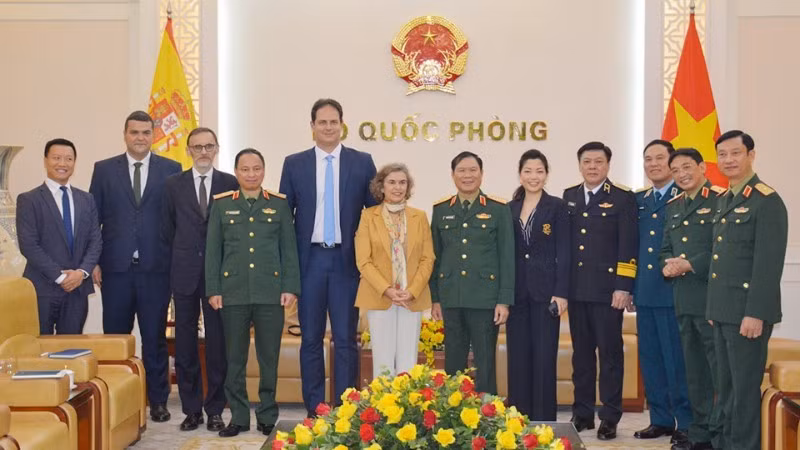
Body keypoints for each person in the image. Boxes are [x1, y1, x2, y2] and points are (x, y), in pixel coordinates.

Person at [279, 98, 377, 414]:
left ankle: (346, 405)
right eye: (322, 122)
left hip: (346, 263)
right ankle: (316, 407)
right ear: (312, 127)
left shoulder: (362, 162)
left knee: (347, 338)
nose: (328, 127)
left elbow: (373, 216)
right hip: (310, 262)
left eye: (334, 122)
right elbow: (284, 219)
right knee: (311, 339)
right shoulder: (294, 163)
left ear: (342, 125)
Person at [89, 111, 181, 422]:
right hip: (115, 269)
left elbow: (175, 221)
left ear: (153, 135)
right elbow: (93, 221)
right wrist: (94, 263)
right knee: (116, 338)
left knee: (154, 337)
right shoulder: (104, 170)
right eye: (134, 132)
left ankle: (157, 401)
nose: (140, 137)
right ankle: (117, 400)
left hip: (157, 269)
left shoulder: (171, 169)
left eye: (145, 132)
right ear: (125, 134)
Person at [205, 148, 300, 437]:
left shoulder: (279, 205)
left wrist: (290, 287)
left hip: (269, 292)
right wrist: (214, 289)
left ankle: (267, 414)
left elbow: (289, 250)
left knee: (268, 356)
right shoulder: (222, 205)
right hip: (232, 292)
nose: (251, 174)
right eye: (245, 169)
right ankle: (239, 417)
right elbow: (213, 251)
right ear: (236, 172)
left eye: (256, 168)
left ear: (263, 171)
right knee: (234, 358)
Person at [707, 130, 787, 450]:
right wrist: (714, 309)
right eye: (722, 154)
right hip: (723, 311)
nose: (728, 160)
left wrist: (754, 312)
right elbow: (722, 260)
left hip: (746, 315)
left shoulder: (766, 201)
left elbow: (767, 265)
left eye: (735, 153)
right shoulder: (725, 198)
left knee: (743, 391)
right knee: (725, 388)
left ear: (751, 155)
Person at [162, 127, 238, 432]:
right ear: (188, 151)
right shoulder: (172, 185)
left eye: (209, 146)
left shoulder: (229, 183)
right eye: (197, 147)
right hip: (184, 275)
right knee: (185, 344)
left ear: (217, 149)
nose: (203, 152)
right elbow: (167, 231)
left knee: (218, 344)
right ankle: (192, 410)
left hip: (219, 277)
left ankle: (216, 408)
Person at [562, 141, 637, 440]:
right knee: (581, 356)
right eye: (587, 161)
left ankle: (609, 416)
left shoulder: (622, 198)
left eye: (598, 162)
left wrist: (624, 286)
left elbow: (628, 244)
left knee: (610, 356)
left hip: (609, 293)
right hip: (577, 291)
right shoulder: (568, 196)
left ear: (608, 165)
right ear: (579, 165)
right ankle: (582, 413)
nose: (592, 167)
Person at [429, 151, 514, 394]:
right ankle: (455, 417)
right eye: (461, 171)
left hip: (485, 299)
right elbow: (436, 256)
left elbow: (507, 258)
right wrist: (435, 297)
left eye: (472, 170)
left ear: (482, 174)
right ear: (453, 175)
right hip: (451, 298)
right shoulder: (441, 209)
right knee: (453, 364)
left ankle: (488, 417)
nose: (467, 175)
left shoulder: (498, 209)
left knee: (485, 363)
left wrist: (504, 300)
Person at [661, 147, 725, 450]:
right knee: (696, 373)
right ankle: (699, 434)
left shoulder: (721, 199)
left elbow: (724, 250)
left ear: (703, 167)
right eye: (676, 170)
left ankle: (719, 433)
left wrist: (690, 264)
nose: (682, 174)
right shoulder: (674, 206)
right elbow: (665, 248)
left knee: (719, 374)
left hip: (712, 302)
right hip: (684, 301)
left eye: (687, 167)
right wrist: (668, 263)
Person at [632, 140, 691, 446]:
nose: (653, 164)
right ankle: (660, 419)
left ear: (671, 162)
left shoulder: (685, 196)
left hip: (674, 294)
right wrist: (629, 288)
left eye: (659, 158)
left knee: (676, 361)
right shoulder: (638, 200)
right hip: (644, 293)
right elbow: (630, 248)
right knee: (651, 360)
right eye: (647, 159)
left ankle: (686, 422)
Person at [354, 163, 434, 378]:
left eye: (402, 182)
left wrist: (412, 290)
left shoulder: (419, 217)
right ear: (381, 187)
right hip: (380, 295)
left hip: (411, 297)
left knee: (409, 360)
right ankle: (385, 408)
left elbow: (428, 258)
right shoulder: (368, 217)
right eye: (392, 182)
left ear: (408, 187)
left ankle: (406, 408)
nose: (397, 187)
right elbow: (363, 260)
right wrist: (388, 289)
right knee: (383, 361)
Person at [506, 149, 569, 421]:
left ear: (546, 174)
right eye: (528, 171)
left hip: (547, 295)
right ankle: (518, 420)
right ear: (520, 174)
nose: (533, 176)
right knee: (518, 359)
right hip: (516, 294)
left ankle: (545, 420)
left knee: (544, 359)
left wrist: (562, 292)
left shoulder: (557, 206)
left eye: (539, 171)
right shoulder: (507, 209)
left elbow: (565, 252)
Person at [16, 138, 102, 335]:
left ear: (74, 163)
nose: (62, 164)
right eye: (56, 158)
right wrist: (60, 276)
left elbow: (95, 241)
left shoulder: (86, 200)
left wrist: (82, 273)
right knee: (39, 351)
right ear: (46, 160)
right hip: (42, 289)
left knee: (71, 351)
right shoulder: (29, 199)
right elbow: (28, 245)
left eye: (68, 159)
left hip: (77, 290)